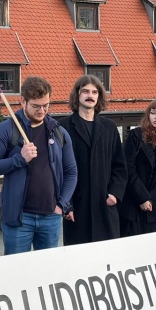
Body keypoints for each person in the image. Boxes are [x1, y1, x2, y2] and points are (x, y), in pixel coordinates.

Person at [0, 76, 77, 253]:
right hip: (19, 218)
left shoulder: (58, 132)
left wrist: (61, 205)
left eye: (46, 105)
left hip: (51, 217)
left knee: (47, 274)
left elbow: (71, 172)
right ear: (23, 101)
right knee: (17, 274)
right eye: (36, 106)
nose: (42, 110)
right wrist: (19, 159)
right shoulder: (6, 130)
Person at [57, 75, 126, 245]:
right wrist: (66, 203)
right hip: (76, 207)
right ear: (77, 95)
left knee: (108, 257)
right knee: (79, 260)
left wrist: (115, 194)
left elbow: (120, 166)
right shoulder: (63, 127)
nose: (90, 95)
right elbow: (58, 169)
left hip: (105, 203)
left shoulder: (109, 127)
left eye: (95, 92)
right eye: (86, 91)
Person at [119, 100, 156, 236]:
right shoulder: (136, 136)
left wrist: (150, 199)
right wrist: (142, 198)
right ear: (148, 115)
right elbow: (128, 169)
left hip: (155, 208)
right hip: (133, 205)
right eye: (153, 113)